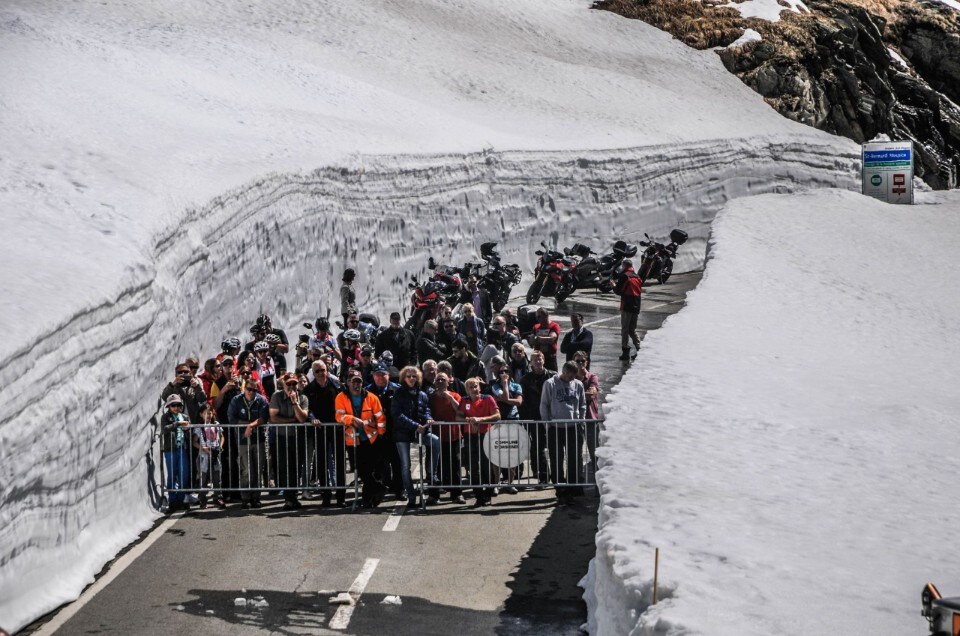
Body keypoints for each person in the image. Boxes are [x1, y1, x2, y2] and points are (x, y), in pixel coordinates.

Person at [335, 368, 387, 508]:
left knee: (367, 470)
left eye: (359, 382)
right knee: (360, 469)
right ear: (348, 382)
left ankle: (367, 499)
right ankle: (378, 488)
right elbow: (339, 416)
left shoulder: (372, 397)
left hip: (370, 439)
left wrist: (381, 435)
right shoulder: (341, 397)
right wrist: (351, 419)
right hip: (352, 440)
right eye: (354, 382)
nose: (356, 385)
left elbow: (380, 418)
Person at [391, 366, 442, 508]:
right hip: (402, 433)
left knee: (435, 441)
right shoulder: (398, 393)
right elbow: (397, 415)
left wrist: (429, 418)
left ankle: (432, 472)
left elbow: (426, 410)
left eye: (414, 376)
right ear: (404, 377)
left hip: (419, 432)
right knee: (406, 465)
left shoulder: (422, 394)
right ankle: (411, 496)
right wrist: (414, 425)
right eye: (409, 376)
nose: (411, 378)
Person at [540, 361, 586, 505]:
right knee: (556, 459)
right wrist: (547, 424)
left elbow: (582, 404)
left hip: (573, 427)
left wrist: (581, 421)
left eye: (573, 377)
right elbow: (544, 404)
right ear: (563, 372)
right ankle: (561, 490)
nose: (570, 379)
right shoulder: (550, 383)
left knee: (574, 459)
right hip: (556, 427)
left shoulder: (578, 385)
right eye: (568, 376)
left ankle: (572, 489)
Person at [303, 360, 346, 507]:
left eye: (322, 370)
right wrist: (313, 418)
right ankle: (326, 495)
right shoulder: (309, 389)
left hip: (337, 429)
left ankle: (341, 496)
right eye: (317, 371)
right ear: (313, 373)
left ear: (327, 370)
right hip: (320, 430)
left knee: (340, 462)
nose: (321, 373)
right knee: (321, 463)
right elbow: (307, 409)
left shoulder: (337, 386)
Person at [457, 377, 501, 507]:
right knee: (473, 466)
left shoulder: (488, 398)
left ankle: (488, 494)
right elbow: (457, 417)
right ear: (467, 390)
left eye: (475, 386)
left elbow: (497, 415)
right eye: (470, 387)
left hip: (486, 435)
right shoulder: (464, 400)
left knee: (486, 465)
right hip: (470, 436)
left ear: (479, 387)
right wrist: (469, 420)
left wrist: (480, 420)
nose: (474, 389)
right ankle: (478, 496)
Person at [270, 371, 310, 510]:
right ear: (284, 385)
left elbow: (303, 418)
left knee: (296, 468)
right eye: (289, 384)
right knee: (284, 468)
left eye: (294, 383)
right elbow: (273, 418)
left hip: (297, 438)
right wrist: (292, 421)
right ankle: (288, 499)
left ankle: (293, 497)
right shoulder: (277, 396)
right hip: (281, 438)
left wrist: (294, 403)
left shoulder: (303, 398)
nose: (292, 386)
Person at [227, 379, 270, 510]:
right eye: (249, 389)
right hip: (242, 441)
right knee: (245, 470)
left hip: (259, 440)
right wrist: (247, 426)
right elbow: (231, 418)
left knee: (258, 469)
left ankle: (256, 497)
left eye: (254, 390)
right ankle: (245, 498)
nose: (251, 392)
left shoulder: (261, 400)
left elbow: (264, 417)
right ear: (244, 389)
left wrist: (250, 425)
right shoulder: (236, 400)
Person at [367, 362, 404, 500]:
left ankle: (399, 490)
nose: (380, 377)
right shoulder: (368, 391)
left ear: (388, 375)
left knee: (397, 463)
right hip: (375, 433)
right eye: (377, 374)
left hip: (394, 432)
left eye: (383, 374)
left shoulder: (397, 390)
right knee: (378, 464)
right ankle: (380, 490)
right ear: (373, 376)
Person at [429, 372, 466, 504]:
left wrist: (450, 398)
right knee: (435, 466)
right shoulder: (431, 397)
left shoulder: (455, 395)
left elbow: (460, 411)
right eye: (438, 380)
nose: (440, 382)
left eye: (443, 380)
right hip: (435, 438)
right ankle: (433, 495)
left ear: (448, 382)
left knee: (455, 466)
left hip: (454, 436)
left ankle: (457, 494)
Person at [520, 350, 555, 485]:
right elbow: (523, 402)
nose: (538, 362)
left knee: (552, 447)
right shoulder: (525, 380)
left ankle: (552, 474)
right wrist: (525, 419)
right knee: (537, 447)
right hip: (534, 417)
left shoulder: (553, 376)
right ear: (531, 363)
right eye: (535, 360)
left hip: (551, 417)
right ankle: (543, 475)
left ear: (544, 360)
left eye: (540, 359)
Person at [488, 357, 523, 495]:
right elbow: (505, 397)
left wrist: (506, 397)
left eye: (507, 371)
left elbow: (519, 402)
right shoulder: (495, 385)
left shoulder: (517, 385)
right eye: (502, 371)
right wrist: (504, 385)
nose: (504, 373)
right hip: (499, 422)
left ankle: (510, 483)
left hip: (513, 420)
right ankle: (496, 483)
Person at [160, 394, 192, 513]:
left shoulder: (185, 416)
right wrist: (177, 424)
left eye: (178, 405)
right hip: (171, 449)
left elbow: (190, 431)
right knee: (172, 475)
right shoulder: (165, 417)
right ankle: (173, 500)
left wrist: (187, 429)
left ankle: (181, 499)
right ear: (169, 406)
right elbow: (164, 429)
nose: (176, 407)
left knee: (184, 474)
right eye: (173, 405)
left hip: (182, 448)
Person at [573, 351, 601, 479]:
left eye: (582, 361)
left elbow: (591, 395)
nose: (580, 364)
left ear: (587, 362)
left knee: (595, 453)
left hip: (590, 420)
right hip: (575, 422)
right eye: (577, 361)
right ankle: (578, 482)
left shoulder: (592, 377)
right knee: (575, 453)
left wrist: (573, 396)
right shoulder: (570, 379)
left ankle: (597, 484)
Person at [193, 403, 225, 509]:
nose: (208, 415)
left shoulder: (216, 424)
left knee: (217, 477)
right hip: (203, 456)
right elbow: (195, 442)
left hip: (215, 455)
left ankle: (218, 497)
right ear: (201, 414)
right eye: (206, 413)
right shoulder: (199, 427)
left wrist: (220, 446)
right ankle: (202, 499)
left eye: (210, 413)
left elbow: (222, 437)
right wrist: (203, 448)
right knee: (203, 478)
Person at [615, 259, 643, 361]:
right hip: (636, 305)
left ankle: (625, 351)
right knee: (632, 330)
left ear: (624, 266)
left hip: (627, 305)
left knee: (625, 330)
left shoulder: (624, 276)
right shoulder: (637, 276)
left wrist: (613, 285)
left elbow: (618, 291)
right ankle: (639, 348)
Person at [530, 307, 561, 372]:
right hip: (538, 358)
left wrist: (537, 338)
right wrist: (543, 339)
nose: (537, 319)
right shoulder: (536, 327)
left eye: (539, 317)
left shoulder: (554, 326)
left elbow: (551, 339)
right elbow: (531, 341)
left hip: (550, 358)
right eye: (536, 317)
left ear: (546, 316)